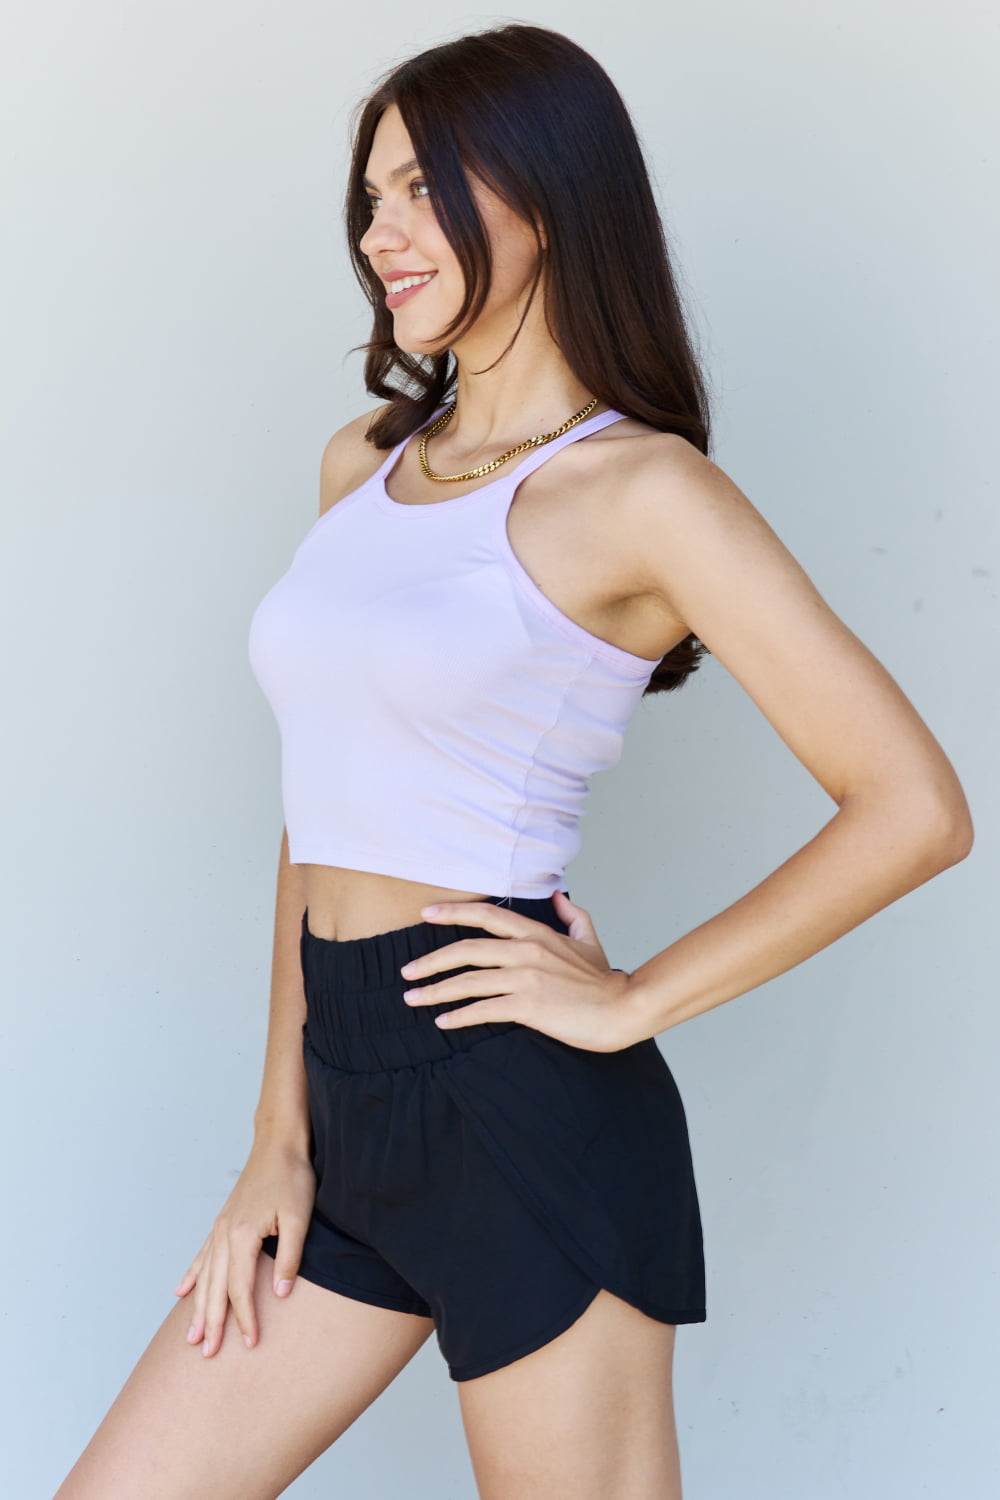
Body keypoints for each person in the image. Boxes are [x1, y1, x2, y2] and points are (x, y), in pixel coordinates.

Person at [55, 22, 973, 1500]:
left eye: (423, 189)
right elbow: (323, 806)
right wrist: (274, 1138)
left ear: (548, 192)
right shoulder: (363, 465)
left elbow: (917, 809)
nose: (382, 235)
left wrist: (631, 1001)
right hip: (341, 1094)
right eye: (369, 199)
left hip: (517, 1111)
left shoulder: (642, 492)